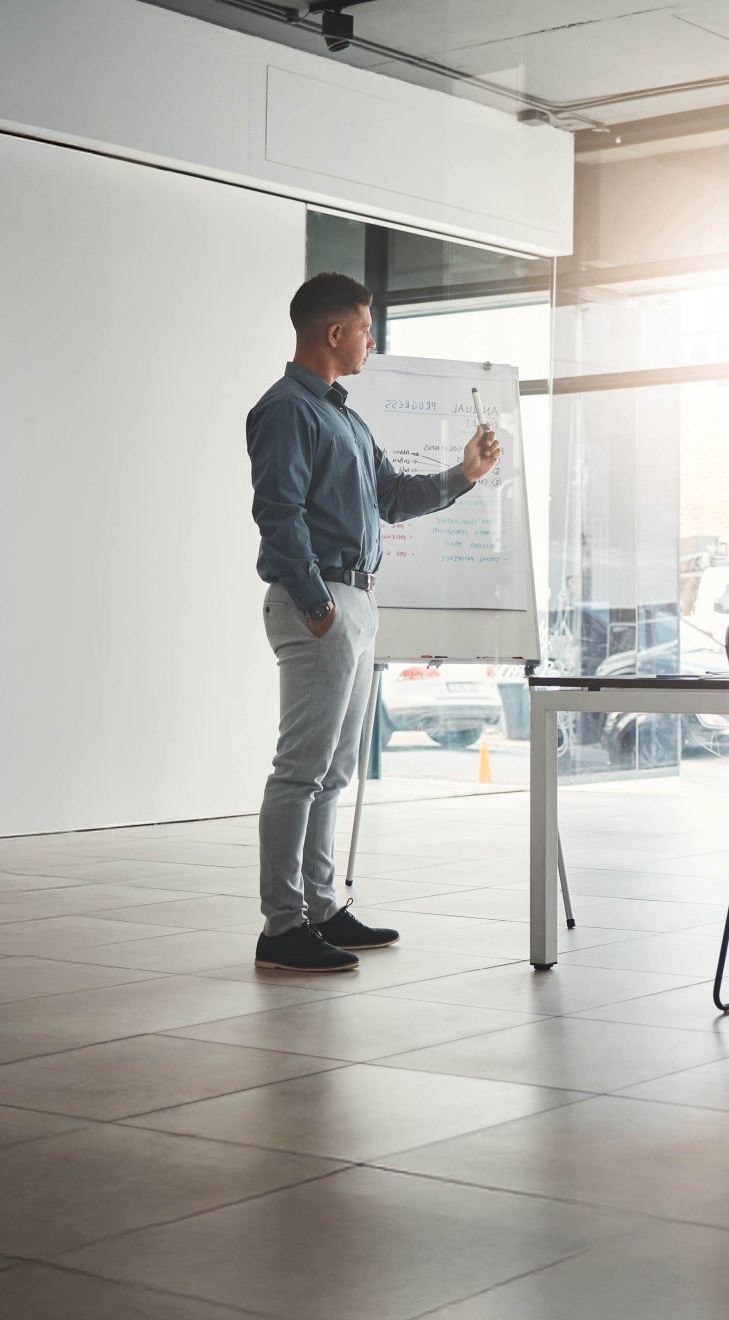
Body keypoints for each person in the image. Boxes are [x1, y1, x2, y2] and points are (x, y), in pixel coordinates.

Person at [244, 272, 502, 973]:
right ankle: (282, 923)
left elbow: (390, 495)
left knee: (333, 770)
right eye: (364, 327)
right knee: (300, 769)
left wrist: (464, 474)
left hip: (354, 599)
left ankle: (322, 908)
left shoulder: (346, 419)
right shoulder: (286, 411)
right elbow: (279, 515)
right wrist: (316, 603)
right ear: (334, 333)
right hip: (320, 600)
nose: (370, 339)